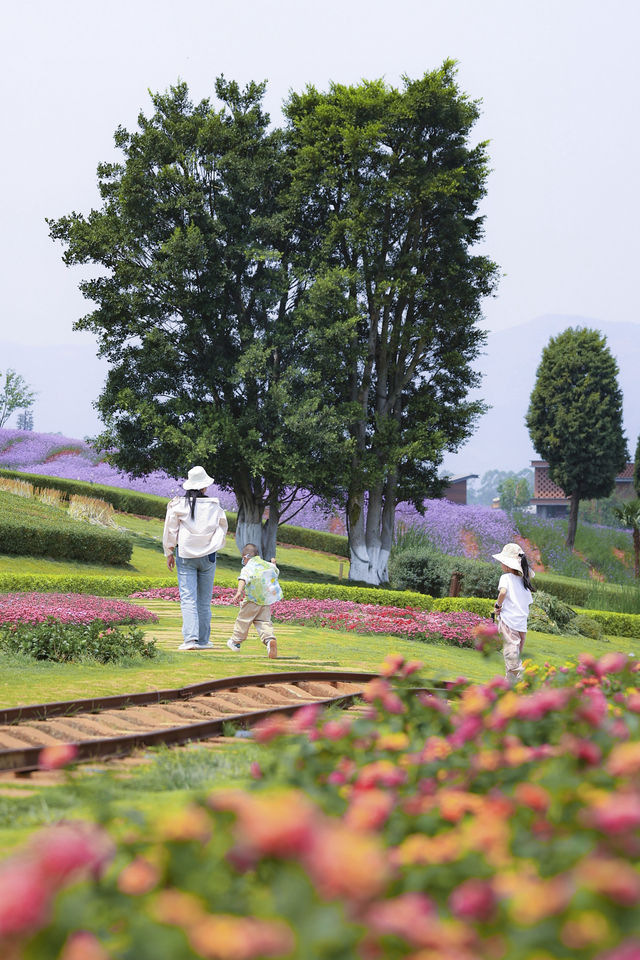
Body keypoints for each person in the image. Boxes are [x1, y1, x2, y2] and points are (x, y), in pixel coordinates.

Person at [163, 466, 228, 651]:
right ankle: (203, 640)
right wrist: (212, 545)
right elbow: (222, 528)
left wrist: (169, 552)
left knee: (188, 598)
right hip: (208, 556)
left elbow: (170, 530)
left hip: (185, 555)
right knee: (204, 600)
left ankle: (190, 640)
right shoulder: (214, 506)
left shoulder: (178, 505)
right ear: (204, 486)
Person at [226, 543, 283, 659]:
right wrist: (273, 563)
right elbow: (275, 571)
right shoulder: (266, 565)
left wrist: (238, 592)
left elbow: (243, 579)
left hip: (252, 600)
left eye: (243, 558)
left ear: (246, 557)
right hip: (265, 601)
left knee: (243, 620)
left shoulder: (248, 568)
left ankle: (236, 642)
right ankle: (269, 640)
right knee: (264, 622)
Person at [491, 542, 534, 686]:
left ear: (508, 565)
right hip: (522, 627)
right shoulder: (524, 582)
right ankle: (509, 691)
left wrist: (498, 605)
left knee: (512, 660)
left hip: (509, 623)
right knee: (513, 661)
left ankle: (527, 681)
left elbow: (502, 592)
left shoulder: (506, 578)